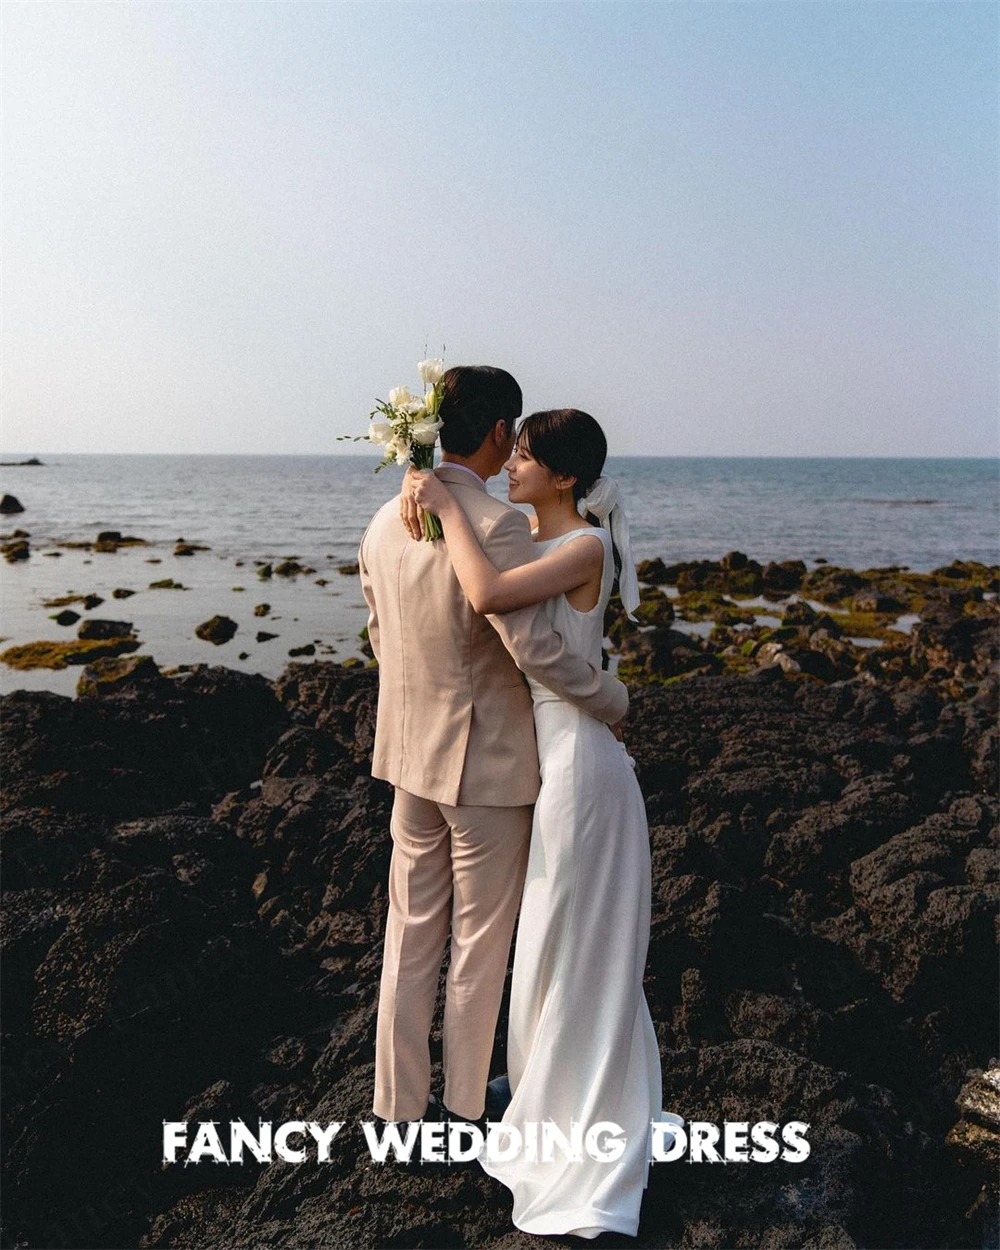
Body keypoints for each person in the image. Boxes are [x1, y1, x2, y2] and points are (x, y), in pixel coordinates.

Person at [409, 408, 662, 1240]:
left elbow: (486, 596)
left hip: (582, 765)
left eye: (523, 456)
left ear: (563, 477)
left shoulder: (583, 545)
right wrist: (431, 489)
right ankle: (544, 1089)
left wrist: (447, 504)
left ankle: (575, 1112)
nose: (507, 465)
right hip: (548, 756)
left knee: (574, 937)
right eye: (509, 450)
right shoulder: (521, 528)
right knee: (548, 938)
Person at [358, 368, 630, 1129]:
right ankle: (467, 1104)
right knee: (477, 944)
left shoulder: (386, 519)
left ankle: (397, 1110)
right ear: (501, 432)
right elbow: (534, 648)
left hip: (409, 757)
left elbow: (381, 632)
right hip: (487, 766)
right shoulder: (500, 526)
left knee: (409, 932)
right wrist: (611, 700)